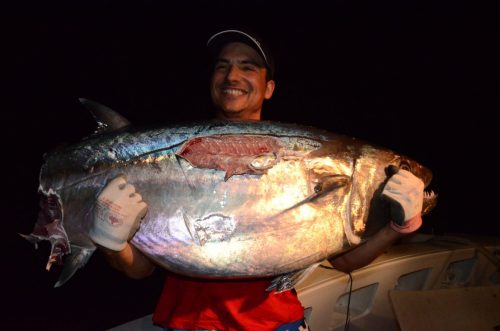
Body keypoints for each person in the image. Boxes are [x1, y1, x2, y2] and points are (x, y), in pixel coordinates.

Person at [89, 29, 424, 331]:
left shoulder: (304, 157)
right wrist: (112, 242)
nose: (232, 75)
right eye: (222, 66)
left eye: (248, 67)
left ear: (269, 88)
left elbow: (342, 260)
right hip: (187, 322)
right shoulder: (165, 161)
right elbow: (139, 270)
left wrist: (396, 228)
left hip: (275, 324)